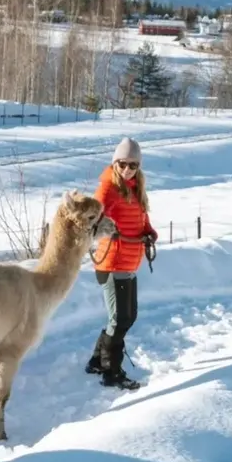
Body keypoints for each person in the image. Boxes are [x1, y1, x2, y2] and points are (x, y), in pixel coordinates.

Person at [86, 136, 157, 390]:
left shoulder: (136, 188)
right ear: (114, 162)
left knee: (127, 317)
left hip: (130, 261)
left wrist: (149, 232)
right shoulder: (107, 189)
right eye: (123, 163)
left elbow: (141, 219)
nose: (127, 169)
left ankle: (97, 360)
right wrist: (108, 231)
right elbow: (91, 223)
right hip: (112, 261)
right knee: (121, 319)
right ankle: (111, 371)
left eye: (133, 165)